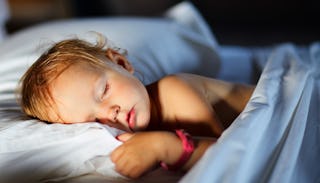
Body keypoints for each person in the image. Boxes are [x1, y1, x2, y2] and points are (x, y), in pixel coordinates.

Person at [17, 36, 255, 179]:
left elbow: (226, 156)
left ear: (121, 63)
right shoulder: (133, 128)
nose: (109, 114)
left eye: (104, 91)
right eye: (94, 121)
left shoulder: (174, 91)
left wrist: (166, 146)